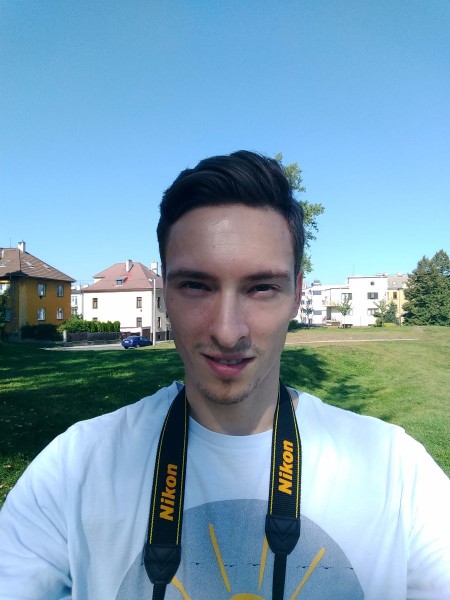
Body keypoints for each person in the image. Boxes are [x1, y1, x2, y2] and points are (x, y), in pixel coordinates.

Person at [0, 151, 449, 600]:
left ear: (297, 295)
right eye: (196, 286)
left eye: (261, 287)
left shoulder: (396, 474)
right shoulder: (75, 471)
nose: (228, 332)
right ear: (165, 294)